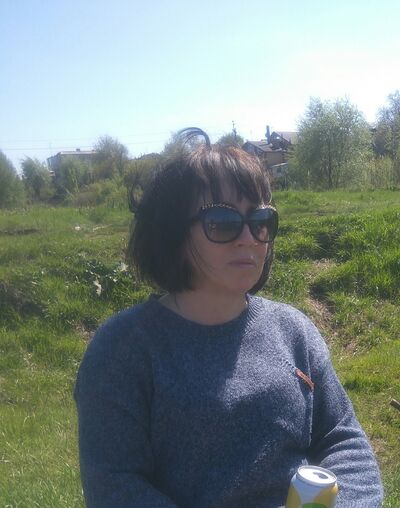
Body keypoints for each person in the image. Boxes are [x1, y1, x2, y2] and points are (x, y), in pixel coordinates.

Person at [74, 128, 384, 508]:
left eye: (261, 220)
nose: (249, 238)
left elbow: (342, 437)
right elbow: (115, 484)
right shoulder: (122, 349)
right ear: (172, 232)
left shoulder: (294, 332)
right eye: (222, 222)